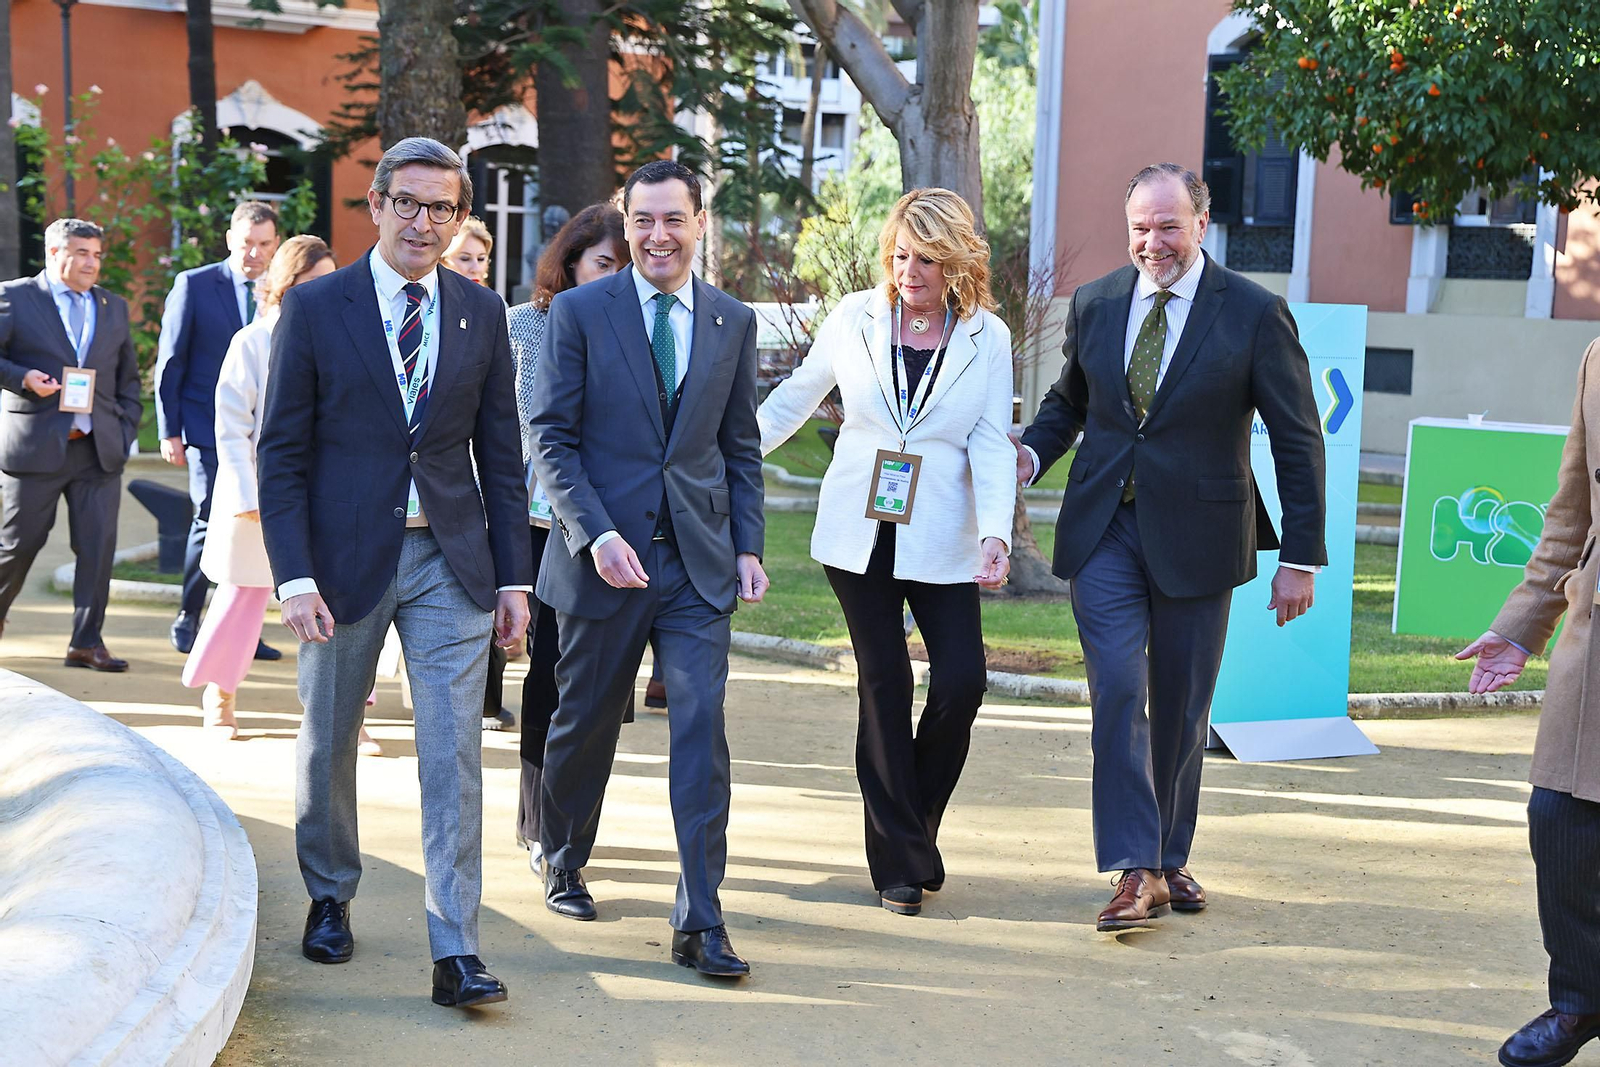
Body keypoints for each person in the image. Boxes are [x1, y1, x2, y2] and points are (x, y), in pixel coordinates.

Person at [257, 137, 532, 1008]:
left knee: (453, 750)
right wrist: (293, 574)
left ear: (458, 218)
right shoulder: (316, 307)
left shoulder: (481, 312)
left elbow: (502, 452)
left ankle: (455, 945)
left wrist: (513, 578)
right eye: (406, 203)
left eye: (441, 207)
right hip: (340, 563)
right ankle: (330, 890)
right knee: (329, 735)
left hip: (451, 559)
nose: (423, 222)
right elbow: (281, 453)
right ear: (373, 204)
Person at [1016, 162, 1326, 932]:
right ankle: (1136, 867)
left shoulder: (1254, 313)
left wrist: (1301, 556)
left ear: (1200, 224)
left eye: (1166, 226)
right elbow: (1069, 403)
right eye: (1139, 228)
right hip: (1106, 531)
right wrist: (1029, 455)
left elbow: (1297, 438)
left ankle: (1168, 853)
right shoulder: (1095, 302)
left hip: (1202, 533)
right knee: (1119, 688)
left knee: (1183, 707)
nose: (1151, 242)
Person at [527, 159, 767, 977]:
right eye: (641, 221)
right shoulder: (583, 312)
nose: (657, 235)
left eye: (673, 219)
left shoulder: (734, 320)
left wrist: (748, 545)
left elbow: (739, 447)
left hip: (697, 564)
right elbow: (550, 438)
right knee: (584, 720)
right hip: (604, 560)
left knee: (701, 728)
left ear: (701, 223)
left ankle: (701, 917)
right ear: (625, 224)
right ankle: (563, 849)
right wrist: (593, 533)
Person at [757, 188, 1014, 916]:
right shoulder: (854, 318)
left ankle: (911, 830)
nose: (909, 272)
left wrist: (995, 531)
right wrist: (724, 450)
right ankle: (898, 863)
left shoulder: (985, 336)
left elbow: (992, 439)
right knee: (886, 682)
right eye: (901, 254)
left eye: (926, 259)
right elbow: (795, 397)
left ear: (956, 260)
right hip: (856, 529)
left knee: (962, 681)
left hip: (942, 532)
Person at [1457, 341, 1600, 1067]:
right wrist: (1521, 627)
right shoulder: (1598, 357)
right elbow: (1572, 511)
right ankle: (1580, 999)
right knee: (1560, 818)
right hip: (1595, 637)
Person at [179, 236, 381, 751]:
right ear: (284, 286)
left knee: (344, 605)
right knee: (243, 600)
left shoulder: (350, 338)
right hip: (261, 499)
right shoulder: (252, 341)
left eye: (328, 282)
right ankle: (219, 696)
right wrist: (251, 497)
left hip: (331, 499)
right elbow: (229, 426)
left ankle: (351, 715)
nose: (322, 293)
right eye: (310, 283)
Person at [507, 201, 626, 867]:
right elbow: (510, 424)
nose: (613, 277)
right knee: (548, 672)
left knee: (593, 680)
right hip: (536, 523)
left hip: (608, 529)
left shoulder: (635, 329)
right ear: (572, 261)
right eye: (604, 263)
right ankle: (537, 819)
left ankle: (568, 821)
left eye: (621, 267)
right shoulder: (525, 326)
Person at [0, 218, 141, 668]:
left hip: (98, 450)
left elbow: (128, 379)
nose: (92, 263)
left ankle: (86, 641)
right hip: (35, 448)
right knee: (18, 546)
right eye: (82, 252)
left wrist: (124, 427)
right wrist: (21, 378)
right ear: (55, 252)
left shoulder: (112, 306)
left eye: (97, 254)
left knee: (98, 551)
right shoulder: (15, 297)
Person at [155, 200, 282, 660]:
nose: (255, 253)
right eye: (247, 243)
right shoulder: (194, 284)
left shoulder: (279, 292)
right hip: (208, 432)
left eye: (265, 244)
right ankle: (189, 616)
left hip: (264, 438)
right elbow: (171, 361)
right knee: (210, 518)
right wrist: (169, 431)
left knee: (257, 531)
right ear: (231, 238)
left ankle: (247, 631)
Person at [439, 215, 515, 731]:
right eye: (464, 257)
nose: (473, 267)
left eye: (480, 259)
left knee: (480, 598)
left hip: (478, 491)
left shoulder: (491, 314)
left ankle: (486, 697)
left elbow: (501, 422)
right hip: (431, 486)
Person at [443, 216, 493, 288]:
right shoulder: (428, 298)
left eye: (481, 259)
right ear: (442, 261)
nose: (476, 269)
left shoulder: (494, 299)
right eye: (465, 258)